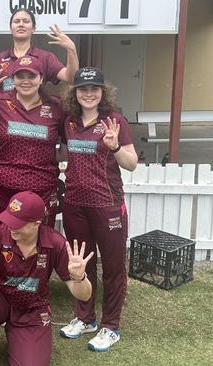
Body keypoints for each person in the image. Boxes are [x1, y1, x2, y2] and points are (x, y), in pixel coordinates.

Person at [57, 67, 138, 352]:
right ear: (75, 93)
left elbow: (131, 163)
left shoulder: (114, 121)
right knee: (82, 263)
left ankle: (110, 326)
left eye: (94, 89)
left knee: (113, 268)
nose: (88, 94)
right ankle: (85, 318)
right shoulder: (69, 122)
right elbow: (65, 153)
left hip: (108, 206)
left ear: (103, 92)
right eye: (83, 89)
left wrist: (115, 147)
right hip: (75, 204)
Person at [0, 191, 93, 366]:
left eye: (17, 223)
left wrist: (80, 277)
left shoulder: (55, 242)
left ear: (37, 223)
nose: (10, 227)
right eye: (9, 219)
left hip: (32, 308)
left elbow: (84, 295)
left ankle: (19, 337)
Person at [0, 55, 64, 228]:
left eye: (32, 76)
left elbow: (70, 138)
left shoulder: (57, 106)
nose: (25, 81)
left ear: (41, 78)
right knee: (2, 240)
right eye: (20, 76)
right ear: (13, 80)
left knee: (41, 242)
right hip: (3, 187)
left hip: (42, 187)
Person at [0, 8, 78, 92]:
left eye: (26, 21)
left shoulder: (45, 57)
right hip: (5, 108)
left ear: (34, 28)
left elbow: (70, 78)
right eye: (16, 21)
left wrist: (72, 49)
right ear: (10, 29)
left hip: (35, 107)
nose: (21, 24)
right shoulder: (0, 58)